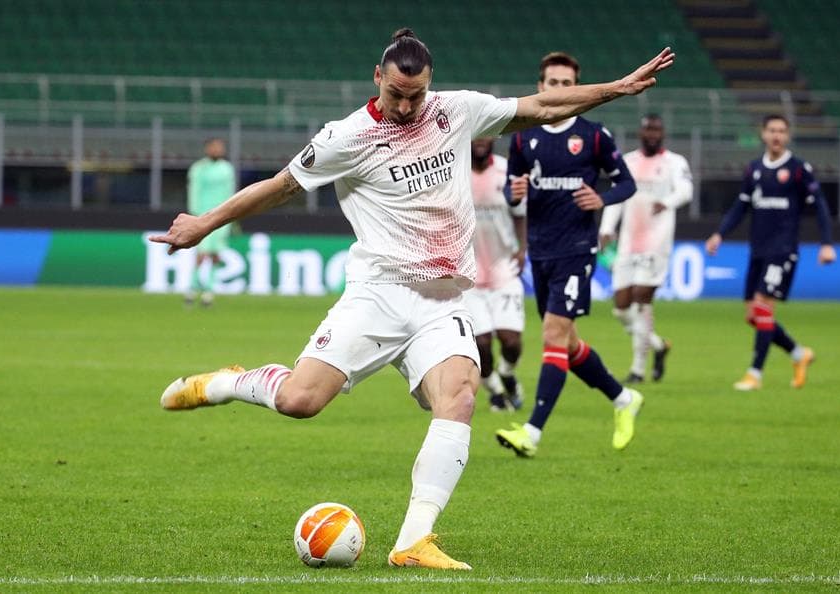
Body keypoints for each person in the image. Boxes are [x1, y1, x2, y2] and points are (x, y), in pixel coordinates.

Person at [150, 29, 674, 569]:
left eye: (416, 94)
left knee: (460, 398)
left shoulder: (455, 113)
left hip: (442, 302)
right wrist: (205, 224)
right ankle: (229, 381)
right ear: (377, 77)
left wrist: (614, 88)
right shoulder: (345, 137)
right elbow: (281, 186)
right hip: (378, 295)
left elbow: (539, 105)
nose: (405, 105)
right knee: (299, 402)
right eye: (396, 93)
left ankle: (413, 540)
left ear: (431, 85)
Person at [495, 52, 643, 458]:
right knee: (569, 344)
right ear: (540, 87)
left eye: (566, 84)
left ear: (577, 88)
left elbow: (626, 184)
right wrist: (514, 194)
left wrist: (602, 198)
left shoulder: (594, 135)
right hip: (541, 252)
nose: (559, 90)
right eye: (552, 83)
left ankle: (532, 432)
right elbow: (510, 188)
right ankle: (622, 398)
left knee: (552, 336)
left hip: (577, 251)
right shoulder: (524, 138)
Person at [705, 114, 835, 391]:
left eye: (781, 131)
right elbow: (740, 207)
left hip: (783, 250)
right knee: (753, 315)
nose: (776, 135)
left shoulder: (799, 169)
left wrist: (826, 243)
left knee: (763, 307)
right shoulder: (753, 170)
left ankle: (755, 374)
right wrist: (719, 234)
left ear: (787, 136)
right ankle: (799, 354)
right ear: (763, 134)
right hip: (758, 250)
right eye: (772, 130)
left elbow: (820, 205)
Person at [599, 114, 693, 383]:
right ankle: (658, 345)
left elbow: (686, 190)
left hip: (657, 242)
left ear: (662, 133)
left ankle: (638, 369)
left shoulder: (675, 162)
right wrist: (606, 228)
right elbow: (617, 199)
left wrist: (668, 201)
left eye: (657, 130)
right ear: (640, 133)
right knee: (620, 308)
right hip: (628, 242)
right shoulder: (627, 161)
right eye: (648, 129)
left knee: (641, 299)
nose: (652, 134)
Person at [463, 137, 527, 412]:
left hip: (504, 269)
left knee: (511, 341)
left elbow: (520, 213)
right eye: (476, 135)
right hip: (469, 274)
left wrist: (523, 248)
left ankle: (508, 374)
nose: (481, 141)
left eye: (486, 134)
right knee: (481, 345)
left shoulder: (506, 171)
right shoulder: (454, 172)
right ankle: (496, 391)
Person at [185, 138, 236, 306]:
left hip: (223, 216)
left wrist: (234, 215)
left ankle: (209, 293)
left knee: (215, 255)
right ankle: (192, 289)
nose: (217, 150)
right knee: (202, 254)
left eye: (219, 147)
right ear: (207, 149)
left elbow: (232, 193)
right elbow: (194, 190)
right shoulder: (199, 168)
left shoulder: (227, 169)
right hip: (203, 216)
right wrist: (194, 214)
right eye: (214, 147)